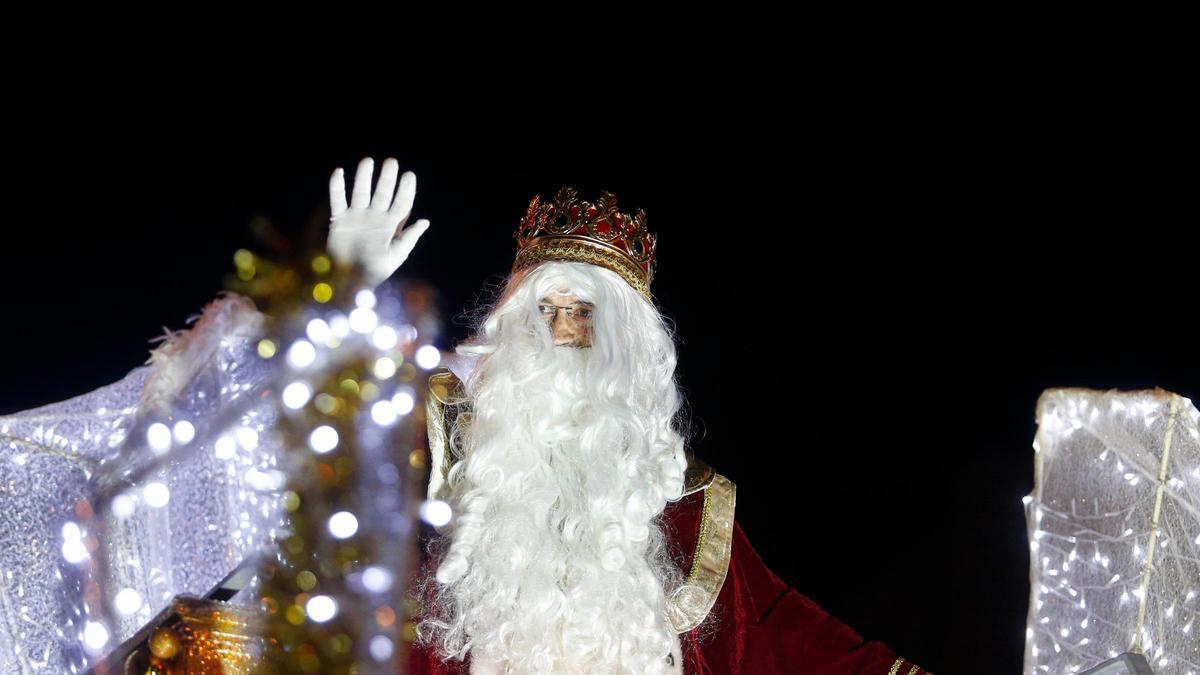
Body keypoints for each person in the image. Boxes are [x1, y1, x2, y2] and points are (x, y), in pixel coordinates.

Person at [327, 157, 932, 675]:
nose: (561, 332)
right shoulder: (433, 424)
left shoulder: (670, 489)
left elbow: (778, 629)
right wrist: (337, 295)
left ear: (624, 338)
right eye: (545, 310)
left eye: (583, 312)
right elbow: (316, 446)